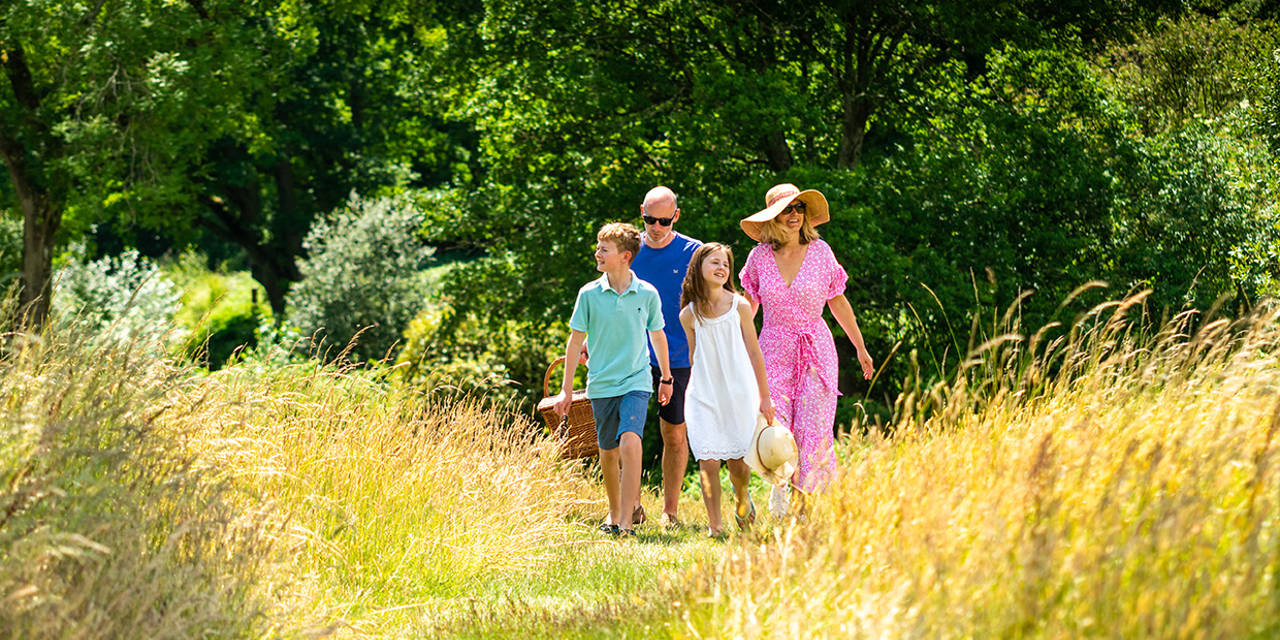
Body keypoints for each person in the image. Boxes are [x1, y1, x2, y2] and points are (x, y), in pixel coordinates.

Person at [738, 184, 875, 516]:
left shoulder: (821, 252)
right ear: (773, 216)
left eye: (798, 208)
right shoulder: (758, 258)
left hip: (816, 350)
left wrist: (860, 346)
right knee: (775, 427)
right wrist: (730, 347)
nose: (795, 214)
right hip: (772, 350)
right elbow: (748, 308)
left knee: (813, 429)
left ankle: (803, 508)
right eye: (787, 209)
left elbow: (838, 302)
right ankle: (781, 486)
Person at [554, 222, 673, 538]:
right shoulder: (589, 294)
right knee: (608, 451)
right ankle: (615, 508)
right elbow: (574, 341)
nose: (597, 252)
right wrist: (566, 390)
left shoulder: (646, 293)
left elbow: (657, 335)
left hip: (636, 380)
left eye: (603, 249)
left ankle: (624, 522)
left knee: (630, 440)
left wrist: (666, 376)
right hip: (601, 383)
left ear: (625, 256)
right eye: (598, 247)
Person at [678, 243, 774, 537]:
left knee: (738, 466)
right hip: (704, 395)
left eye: (726, 264)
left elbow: (755, 353)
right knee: (707, 461)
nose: (721, 268)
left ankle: (742, 500)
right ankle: (715, 525)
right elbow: (694, 357)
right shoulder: (689, 315)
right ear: (698, 268)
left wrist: (764, 397)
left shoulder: (740, 306)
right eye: (714, 262)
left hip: (739, 393)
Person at [630, 185, 702, 527]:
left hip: (678, 356)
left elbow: (712, 302)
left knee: (673, 433)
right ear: (641, 211)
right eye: (649, 219)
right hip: (631, 354)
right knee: (626, 432)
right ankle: (631, 505)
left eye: (663, 220)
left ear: (676, 216)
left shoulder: (694, 252)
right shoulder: (628, 250)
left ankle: (669, 511)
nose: (656, 227)